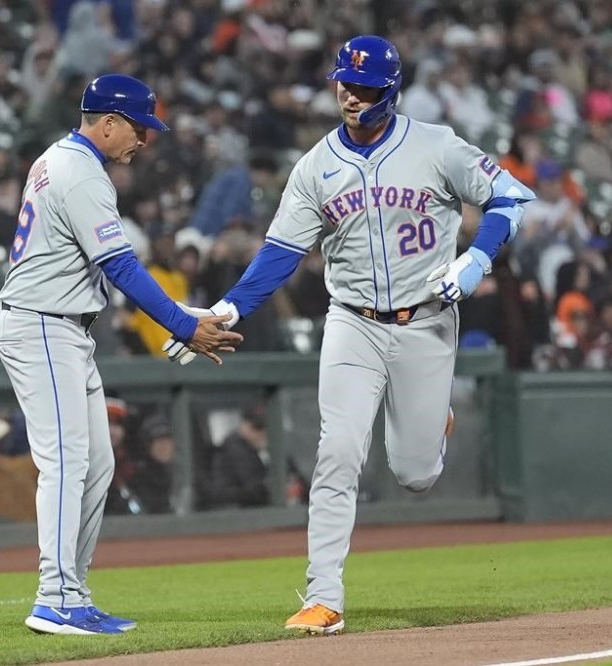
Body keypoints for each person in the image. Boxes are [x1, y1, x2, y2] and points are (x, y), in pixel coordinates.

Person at [162, 35, 534, 635]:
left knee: (415, 474)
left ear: (391, 91)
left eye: (363, 86)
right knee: (336, 452)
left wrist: (476, 260)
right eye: (344, 81)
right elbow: (281, 253)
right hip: (352, 321)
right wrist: (230, 308)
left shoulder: (436, 145)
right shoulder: (316, 166)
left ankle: (429, 422)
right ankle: (324, 596)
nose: (349, 93)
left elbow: (510, 198)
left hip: (427, 321)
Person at [0, 73, 243, 637]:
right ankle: (54, 596)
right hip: (41, 323)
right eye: (137, 127)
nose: (143, 139)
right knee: (65, 463)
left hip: (63, 326)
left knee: (97, 465)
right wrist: (183, 324)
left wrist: (180, 314)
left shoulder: (62, 159)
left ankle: (72, 590)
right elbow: (123, 267)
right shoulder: (81, 172)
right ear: (107, 123)